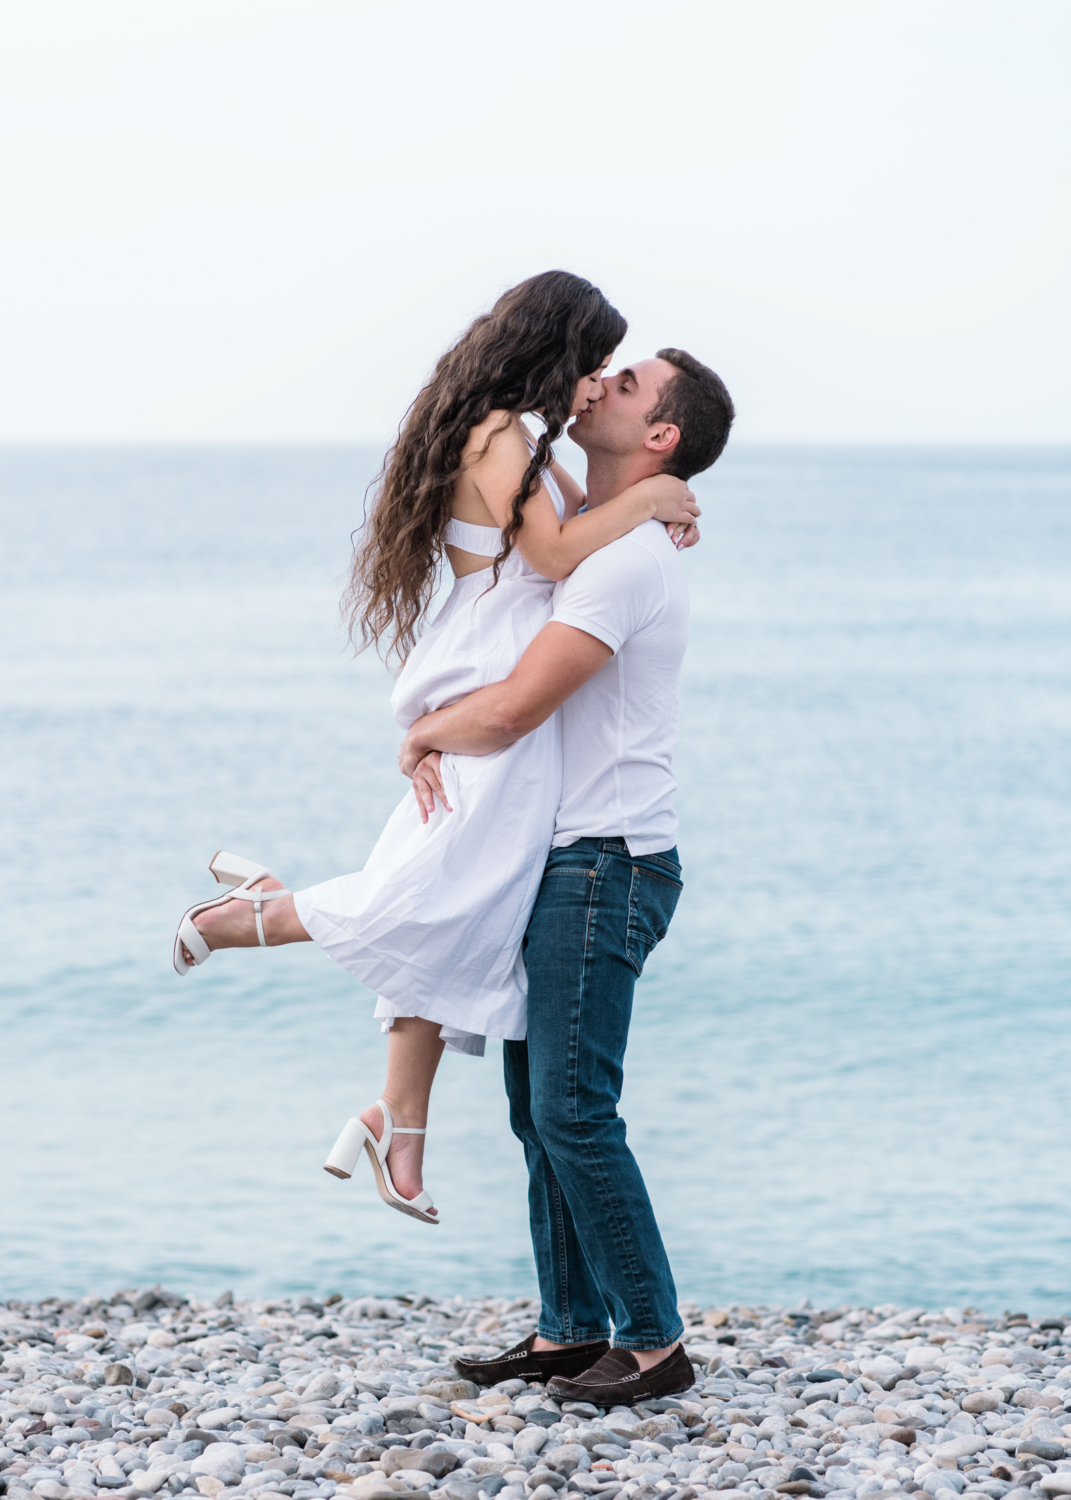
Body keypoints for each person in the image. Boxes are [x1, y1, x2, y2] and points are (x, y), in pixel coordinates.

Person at [171, 271, 700, 1226]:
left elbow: (574, 532)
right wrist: (658, 494)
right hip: (488, 667)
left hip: (499, 658)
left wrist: (649, 506)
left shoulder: (525, 439)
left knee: (467, 894)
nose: (593, 386)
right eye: (592, 367)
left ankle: (398, 1122)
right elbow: (550, 558)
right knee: (440, 885)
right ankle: (250, 916)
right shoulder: (502, 432)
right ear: (557, 354)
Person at [397, 348, 735, 1401]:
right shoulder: (601, 537)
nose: (601, 385)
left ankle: (653, 1338)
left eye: (628, 383)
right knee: (535, 1109)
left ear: (661, 436)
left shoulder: (626, 562)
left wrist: (421, 733)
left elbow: (514, 708)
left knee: (574, 1109)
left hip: (607, 863)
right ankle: (567, 1330)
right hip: (562, 860)